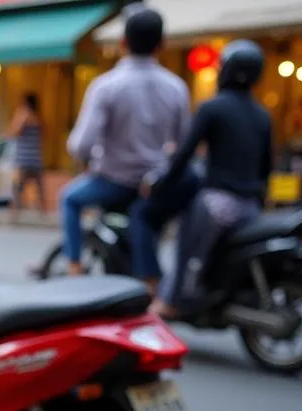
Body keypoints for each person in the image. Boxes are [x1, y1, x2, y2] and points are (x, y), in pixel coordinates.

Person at [62, 5, 192, 284]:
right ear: (161, 45)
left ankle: (73, 265)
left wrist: (88, 161)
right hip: (152, 186)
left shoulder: (106, 86)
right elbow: (183, 145)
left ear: (122, 43)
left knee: (69, 199)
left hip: (112, 182)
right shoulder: (176, 87)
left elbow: (80, 145)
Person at [150, 41, 272, 318]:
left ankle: (171, 300)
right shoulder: (263, 116)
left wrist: (161, 183)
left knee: (185, 244)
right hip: (251, 207)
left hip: (218, 204)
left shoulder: (212, 108)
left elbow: (184, 155)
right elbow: (266, 167)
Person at [8, 92, 45, 219]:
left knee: (17, 186)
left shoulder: (23, 115)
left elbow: (14, 132)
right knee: (38, 187)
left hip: (23, 157)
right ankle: (41, 213)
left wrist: (17, 117)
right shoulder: (38, 117)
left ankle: (16, 213)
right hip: (35, 157)